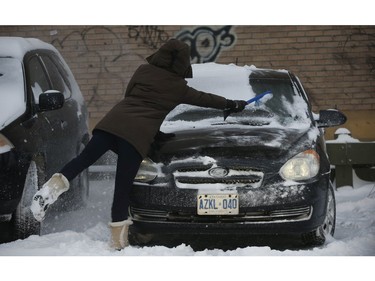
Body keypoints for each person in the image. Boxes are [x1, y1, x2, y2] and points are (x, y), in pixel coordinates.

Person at [30, 39, 247, 250]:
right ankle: (117, 243)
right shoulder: (178, 86)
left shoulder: (143, 71)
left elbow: (132, 99)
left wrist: (155, 131)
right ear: (183, 62)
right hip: (134, 138)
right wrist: (231, 104)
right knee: (122, 189)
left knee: (82, 160)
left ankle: (50, 189)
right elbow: (204, 99)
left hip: (111, 124)